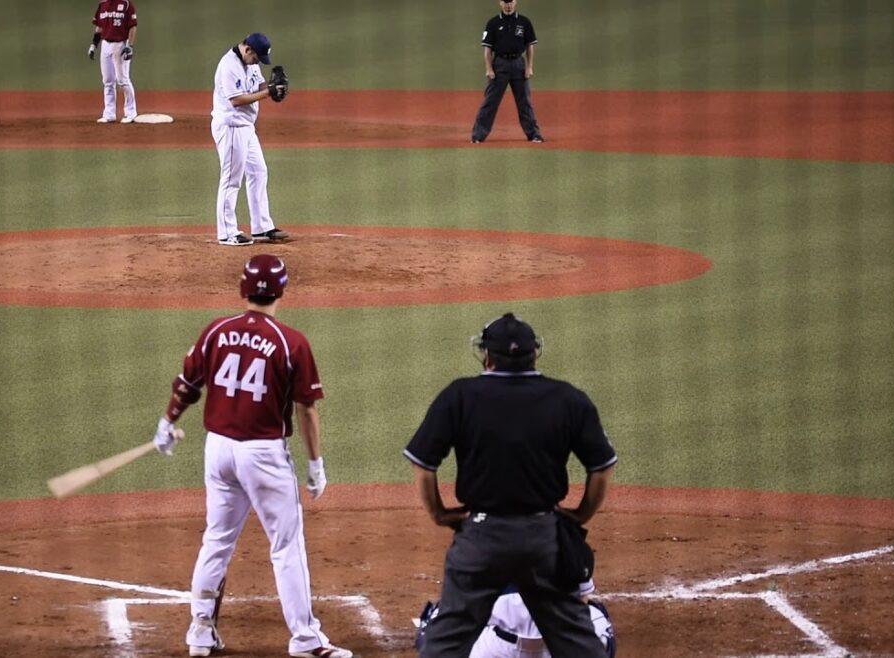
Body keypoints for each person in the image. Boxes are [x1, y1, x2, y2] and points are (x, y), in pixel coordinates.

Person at [150, 254, 352, 658]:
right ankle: (305, 639)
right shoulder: (290, 342)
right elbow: (306, 409)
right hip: (263, 456)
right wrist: (315, 464)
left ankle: (200, 634)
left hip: (219, 450)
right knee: (286, 544)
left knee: (217, 539)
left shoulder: (216, 330)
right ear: (282, 289)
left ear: (243, 289)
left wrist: (167, 422)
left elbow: (187, 383)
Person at [403, 312, 618, 657]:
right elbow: (602, 467)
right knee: (580, 643)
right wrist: (580, 514)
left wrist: (440, 514)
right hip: (544, 538)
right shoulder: (567, 398)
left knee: (443, 642)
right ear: (535, 354)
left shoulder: (460, 395)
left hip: (480, 539)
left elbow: (423, 464)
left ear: (487, 356)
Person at [211, 33, 291, 246]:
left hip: (246, 127)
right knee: (231, 180)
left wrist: (274, 90)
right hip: (231, 127)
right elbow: (236, 100)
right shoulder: (228, 65)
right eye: (257, 58)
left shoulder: (250, 62)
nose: (258, 62)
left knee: (258, 171)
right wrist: (267, 94)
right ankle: (227, 232)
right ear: (248, 50)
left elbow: (260, 85)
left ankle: (262, 228)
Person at [416, 579, 616, 658]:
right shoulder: (566, 539)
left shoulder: (481, 540)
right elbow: (582, 601)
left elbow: (460, 603)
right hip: (554, 647)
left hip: (494, 650)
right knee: (599, 620)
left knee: (433, 627)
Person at [470, 0, 544, 144]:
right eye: (505, 2)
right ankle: (478, 135)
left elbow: (530, 46)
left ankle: (534, 134)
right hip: (500, 65)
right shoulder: (493, 23)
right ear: (500, 3)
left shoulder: (524, 22)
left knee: (525, 102)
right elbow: (487, 49)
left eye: (510, 2)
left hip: (518, 64)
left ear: (515, 2)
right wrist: (488, 69)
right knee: (490, 101)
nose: (508, 5)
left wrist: (529, 67)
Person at [88, 0, 138, 124]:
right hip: (106, 45)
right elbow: (100, 26)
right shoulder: (102, 4)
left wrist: (129, 46)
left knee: (123, 80)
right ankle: (109, 114)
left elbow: (133, 26)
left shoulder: (126, 4)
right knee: (108, 81)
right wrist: (94, 45)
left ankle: (131, 113)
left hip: (120, 45)